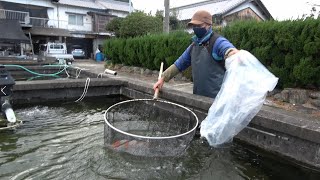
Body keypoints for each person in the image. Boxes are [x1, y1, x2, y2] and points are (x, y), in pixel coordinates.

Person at [153, 10, 239, 98]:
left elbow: (228, 50)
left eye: (199, 25)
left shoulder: (217, 42)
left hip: (218, 99)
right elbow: (180, 63)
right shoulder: (193, 46)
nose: (196, 28)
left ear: (209, 25)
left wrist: (232, 53)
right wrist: (163, 78)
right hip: (198, 97)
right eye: (194, 26)